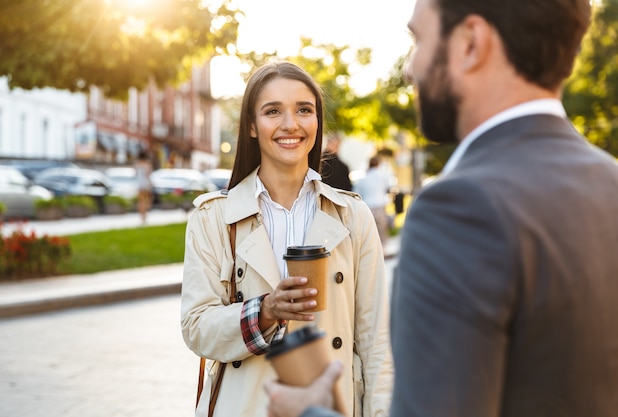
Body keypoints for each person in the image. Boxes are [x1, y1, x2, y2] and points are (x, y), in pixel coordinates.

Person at [264, 0, 618, 416]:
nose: (409, 69)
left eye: (419, 39)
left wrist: (309, 410)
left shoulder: (458, 208)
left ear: (471, 42)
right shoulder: (608, 182)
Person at [180, 61, 393, 417]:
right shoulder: (214, 217)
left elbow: (376, 344)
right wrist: (264, 312)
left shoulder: (352, 216)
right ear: (251, 125)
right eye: (273, 111)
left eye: (304, 110)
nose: (290, 124)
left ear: (317, 121)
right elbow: (196, 327)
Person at [354, 155, 393, 247]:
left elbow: (356, 192)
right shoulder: (383, 176)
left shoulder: (363, 178)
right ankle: (383, 250)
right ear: (378, 164)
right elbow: (389, 187)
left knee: (369, 232)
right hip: (380, 206)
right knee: (382, 231)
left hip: (367, 207)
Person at [134, 149, 153, 224]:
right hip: (146, 184)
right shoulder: (148, 164)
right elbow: (148, 175)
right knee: (146, 200)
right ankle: (144, 215)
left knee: (140, 201)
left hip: (139, 184)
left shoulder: (137, 164)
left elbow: (135, 174)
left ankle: (141, 215)